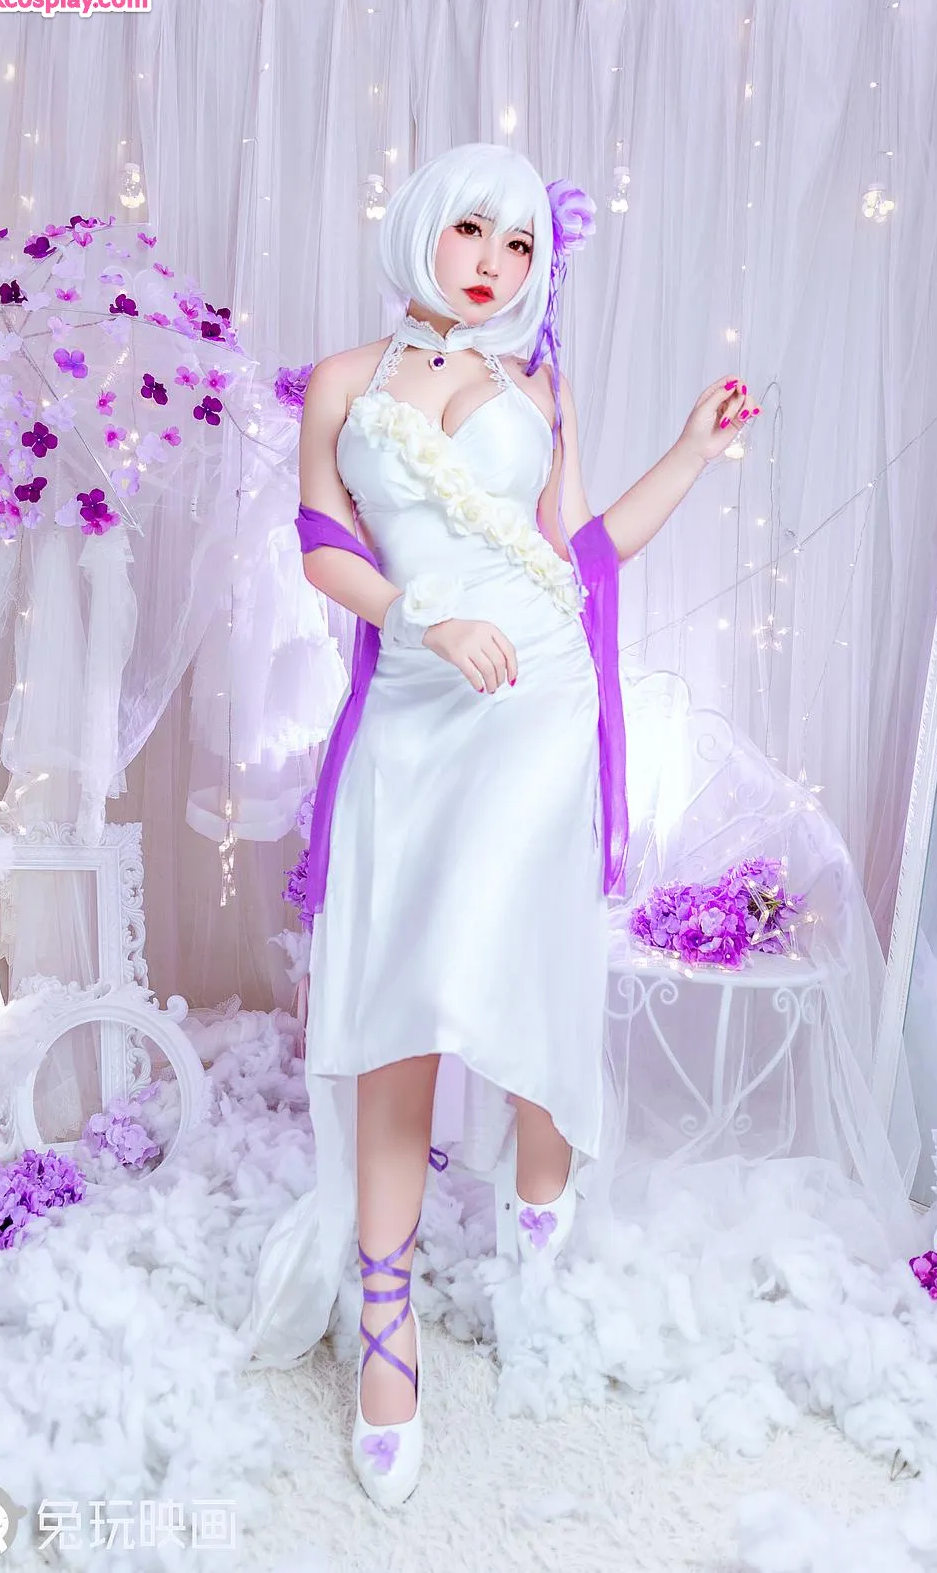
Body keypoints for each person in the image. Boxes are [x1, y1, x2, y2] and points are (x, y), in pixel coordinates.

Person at [244, 141, 758, 1508]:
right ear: (424, 225)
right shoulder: (344, 383)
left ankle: (542, 1166)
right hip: (418, 703)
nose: (494, 262)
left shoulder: (542, 383)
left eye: (522, 243)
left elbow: (581, 552)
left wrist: (691, 453)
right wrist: (423, 616)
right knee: (403, 997)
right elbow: (323, 545)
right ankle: (387, 1316)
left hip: (539, 706)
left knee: (515, 951)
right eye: (474, 228)